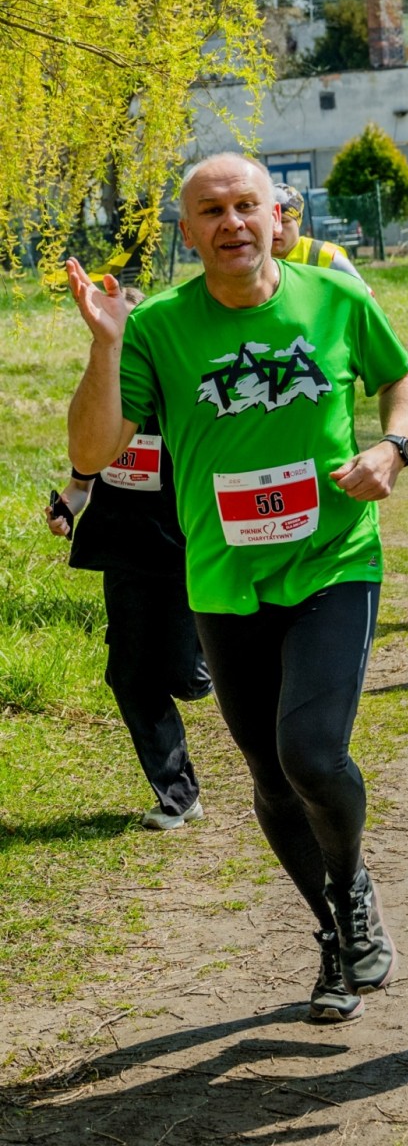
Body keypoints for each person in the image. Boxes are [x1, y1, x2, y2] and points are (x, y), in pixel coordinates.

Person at [66, 152, 408, 1024]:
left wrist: (394, 447)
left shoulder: (335, 298)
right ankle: (336, 931)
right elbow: (91, 452)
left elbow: (401, 379)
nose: (231, 222)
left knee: (311, 753)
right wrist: (106, 345)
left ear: (276, 215)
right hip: (224, 579)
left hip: (334, 559)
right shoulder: (158, 326)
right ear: (187, 232)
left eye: (246, 205)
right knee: (269, 772)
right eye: (211, 211)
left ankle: (351, 889)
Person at [46, 287, 211, 831]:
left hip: (186, 551)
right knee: (131, 675)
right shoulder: (104, 402)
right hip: (124, 551)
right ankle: (178, 795)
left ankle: (219, 665)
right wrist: (67, 507)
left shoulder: (182, 394)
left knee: (188, 676)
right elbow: (82, 478)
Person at [271, 183, 365, 283]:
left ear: (298, 221)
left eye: (284, 221)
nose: (276, 229)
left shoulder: (328, 256)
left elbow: (362, 291)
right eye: (270, 222)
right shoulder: (259, 260)